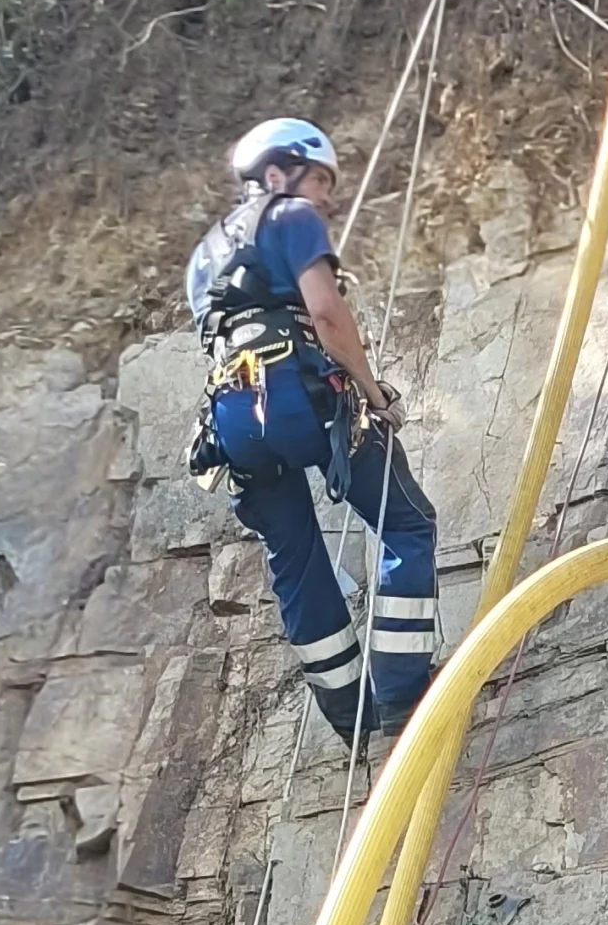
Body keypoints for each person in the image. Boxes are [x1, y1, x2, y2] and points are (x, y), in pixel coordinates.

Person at [186, 117, 441, 744]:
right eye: (319, 178)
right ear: (276, 174)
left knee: (294, 561)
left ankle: (349, 721)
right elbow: (326, 313)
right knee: (407, 522)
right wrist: (374, 393)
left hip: (233, 418)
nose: (327, 197)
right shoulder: (291, 216)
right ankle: (404, 696)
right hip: (298, 394)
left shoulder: (203, 256)